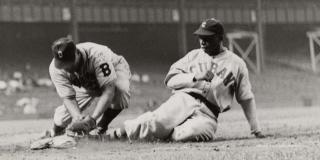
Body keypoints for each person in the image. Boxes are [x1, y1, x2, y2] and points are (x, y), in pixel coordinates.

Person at [110, 18, 264, 142]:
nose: (202, 41)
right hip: (183, 99)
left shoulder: (236, 63)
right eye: (200, 37)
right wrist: (195, 77)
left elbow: (246, 98)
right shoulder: (194, 56)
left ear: (220, 38)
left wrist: (255, 128)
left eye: (207, 38)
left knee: (187, 134)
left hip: (209, 114)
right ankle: (113, 135)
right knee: (155, 122)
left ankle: (166, 132)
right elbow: (170, 80)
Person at [44, 37, 131, 137]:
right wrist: (78, 118)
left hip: (114, 70)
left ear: (77, 52)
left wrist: (92, 120)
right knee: (62, 118)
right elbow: (68, 97)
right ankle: (55, 132)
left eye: (70, 63)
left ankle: (101, 127)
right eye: (63, 65)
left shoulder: (98, 56)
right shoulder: (55, 69)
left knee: (121, 90)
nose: (67, 68)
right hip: (87, 84)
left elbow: (108, 91)